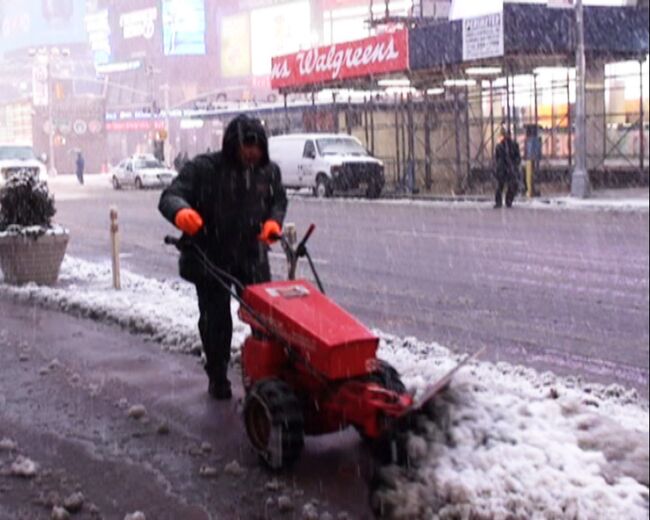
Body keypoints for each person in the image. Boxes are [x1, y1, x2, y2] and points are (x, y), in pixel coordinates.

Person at [158, 115, 287, 400]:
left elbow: (278, 200)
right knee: (216, 319)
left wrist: (273, 223)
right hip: (210, 255)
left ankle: (266, 373)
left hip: (251, 256)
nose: (251, 154)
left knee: (265, 317)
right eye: (246, 147)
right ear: (232, 146)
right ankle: (218, 375)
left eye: (257, 148)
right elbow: (171, 195)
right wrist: (181, 212)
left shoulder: (268, 172)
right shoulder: (204, 169)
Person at [494, 127, 521, 208]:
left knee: (511, 185)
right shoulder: (500, 146)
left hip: (509, 167)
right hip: (503, 168)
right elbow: (497, 158)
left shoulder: (513, 145)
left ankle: (508, 201)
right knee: (500, 185)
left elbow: (517, 157)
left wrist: (514, 164)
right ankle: (500, 202)